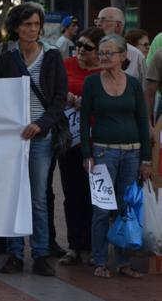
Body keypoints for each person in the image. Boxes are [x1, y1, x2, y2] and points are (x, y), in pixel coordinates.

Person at [0, 3, 67, 277]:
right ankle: (14, 254)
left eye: (37, 24)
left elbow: (59, 98)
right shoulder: (7, 58)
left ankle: (40, 254)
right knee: (14, 196)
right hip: (13, 138)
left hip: (41, 137)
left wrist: (41, 124)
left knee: (38, 198)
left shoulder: (52, 56)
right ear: (16, 27)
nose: (33, 29)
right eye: (27, 24)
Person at [81, 34, 151, 279]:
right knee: (101, 209)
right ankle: (100, 261)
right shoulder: (91, 82)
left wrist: (146, 159)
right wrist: (87, 154)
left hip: (132, 152)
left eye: (109, 53)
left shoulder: (133, 84)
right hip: (102, 152)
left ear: (123, 56)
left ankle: (123, 262)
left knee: (126, 207)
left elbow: (143, 121)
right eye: (101, 52)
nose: (103, 57)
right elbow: (84, 120)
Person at [55, 26, 104, 267]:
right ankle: (74, 246)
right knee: (72, 194)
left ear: (99, 51)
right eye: (79, 44)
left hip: (97, 141)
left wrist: (92, 101)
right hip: (70, 140)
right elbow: (53, 88)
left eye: (88, 47)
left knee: (95, 195)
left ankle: (94, 246)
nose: (81, 50)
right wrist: (65, 96)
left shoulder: (105, 71)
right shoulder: (67, 65)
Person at [95, 7, 146, 87]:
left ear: (118, 25)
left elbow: (144, 89)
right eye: (97, 20)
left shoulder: (136, 55)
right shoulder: (88, 50)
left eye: (103, 20)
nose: (98, 24)